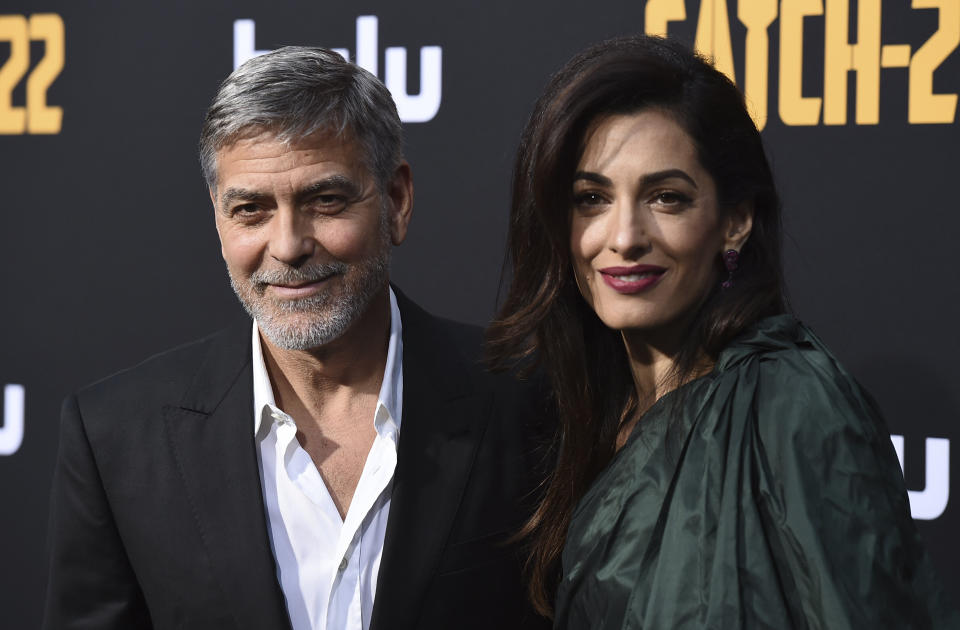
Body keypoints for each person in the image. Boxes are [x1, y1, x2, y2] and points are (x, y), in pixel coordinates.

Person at [43, 46, 549, 630]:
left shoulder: (527, 401)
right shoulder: (115, 439)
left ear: (396, 201)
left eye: (324, 200)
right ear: (218, 219)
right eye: (251, 210)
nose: (287, 245)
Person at [487, 35, 959, 629]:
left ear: (735, 221)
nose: (624, 235)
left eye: (666, 198)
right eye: (592, 199)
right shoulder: (575, 418)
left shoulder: (791, 401)